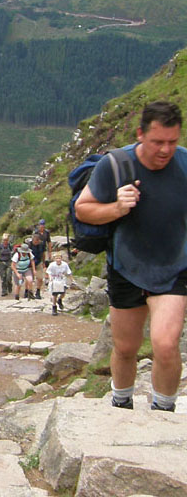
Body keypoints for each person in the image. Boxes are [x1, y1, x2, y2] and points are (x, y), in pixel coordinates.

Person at [75, 100, 187, 412]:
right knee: (125, 348)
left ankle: (163, 412)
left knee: (165, 345)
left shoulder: (185, 164)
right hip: (126, 267)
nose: (165, 150)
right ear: (140, 134)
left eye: (172, 142)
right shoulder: (114, 165)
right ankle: (121, 404)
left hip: (174, 268)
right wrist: (117, 208)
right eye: (157, 142)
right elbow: (83, 209)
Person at [30, 233, 46, 299]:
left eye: (37, 241)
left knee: (40, 278)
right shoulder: (29, 245)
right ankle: (28, 291)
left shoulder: (41, 245)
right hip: (30, 263)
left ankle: (38, 292)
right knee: (30, 279)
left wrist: (44, 262)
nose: (36, 243)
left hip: (39, 262)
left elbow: (43, 253)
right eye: (35, 241)